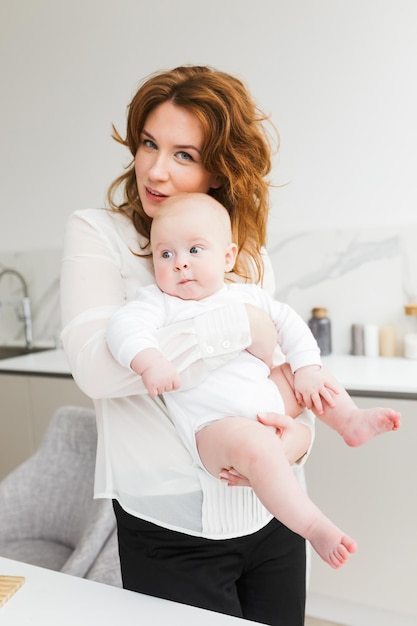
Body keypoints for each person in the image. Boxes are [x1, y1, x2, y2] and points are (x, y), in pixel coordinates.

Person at [60, 65, 338, 625]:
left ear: (219, 170)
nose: (156, 170)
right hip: (171, 528)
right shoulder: (100, 234)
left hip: (275, 516)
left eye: (184, 154)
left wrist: (299, 443)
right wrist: (238, 328)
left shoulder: (246, 255)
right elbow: (97, 368)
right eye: (148, 144)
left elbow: (280, 385)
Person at [106, 192, 401, 568]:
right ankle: (313, 526)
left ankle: (349, 420)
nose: (180, 264)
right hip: (216, 426)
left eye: (195, 250)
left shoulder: (246, 295)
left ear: (227, 257)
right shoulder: (159, 303)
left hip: (267, 393)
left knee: (305, 374)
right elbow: (123, 328)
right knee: (259, 448)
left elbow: (290, 325)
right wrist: (149, 362)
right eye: (166, 254)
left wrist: (308, 367)